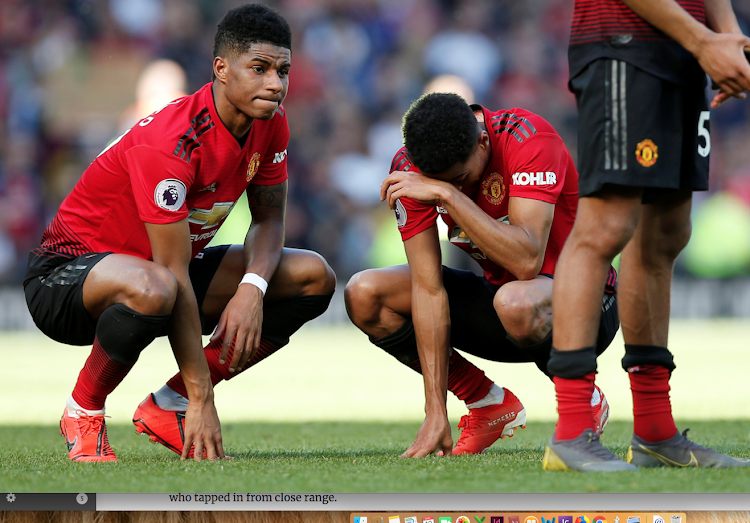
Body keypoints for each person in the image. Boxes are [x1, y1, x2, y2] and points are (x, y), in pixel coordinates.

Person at [23, 4, 336, 462]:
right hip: (65, 280)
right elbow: (170, 270)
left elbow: (268, 220)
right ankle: (83, 410)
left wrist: (253, 287)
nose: (275, 84)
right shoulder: (172, 142)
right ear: (221, 69)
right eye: (260, 68)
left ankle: (166, 406)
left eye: (283, 70)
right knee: (157, 285)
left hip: (163, 275)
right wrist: (203, 397)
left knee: (312, 276)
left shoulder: (271, 124)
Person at [345, 92, 619, 457]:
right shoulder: (409, 171)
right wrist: (435, 411)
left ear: (483, 142)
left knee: (516, 301)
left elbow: (527, 261)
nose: (457, 186)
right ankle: (486, 402)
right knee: (365, 292)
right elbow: (428, 290)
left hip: (585, 303)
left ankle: (581, 395)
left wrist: (447, 195)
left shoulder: (528, 137)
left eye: (461, 178)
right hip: (503, 306)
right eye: (444, 182)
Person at [543, 0, 750, 471]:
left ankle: (656, 433)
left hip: (684, 51)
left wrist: (727, 38)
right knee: (607, 224)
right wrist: (705, 41)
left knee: (665, 233)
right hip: (622, 43)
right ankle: (572, 430)